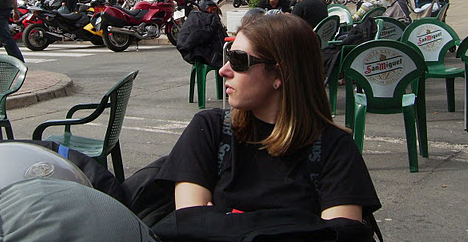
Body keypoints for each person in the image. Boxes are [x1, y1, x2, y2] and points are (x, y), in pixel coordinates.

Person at [157, 14, 380, 231]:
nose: (224, 70)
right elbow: (189, 228)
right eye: (228, 57)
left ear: (279, 74)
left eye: (238, 61)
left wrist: (223, 223)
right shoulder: (209, 129)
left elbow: (339, 235)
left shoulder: (336, 149)